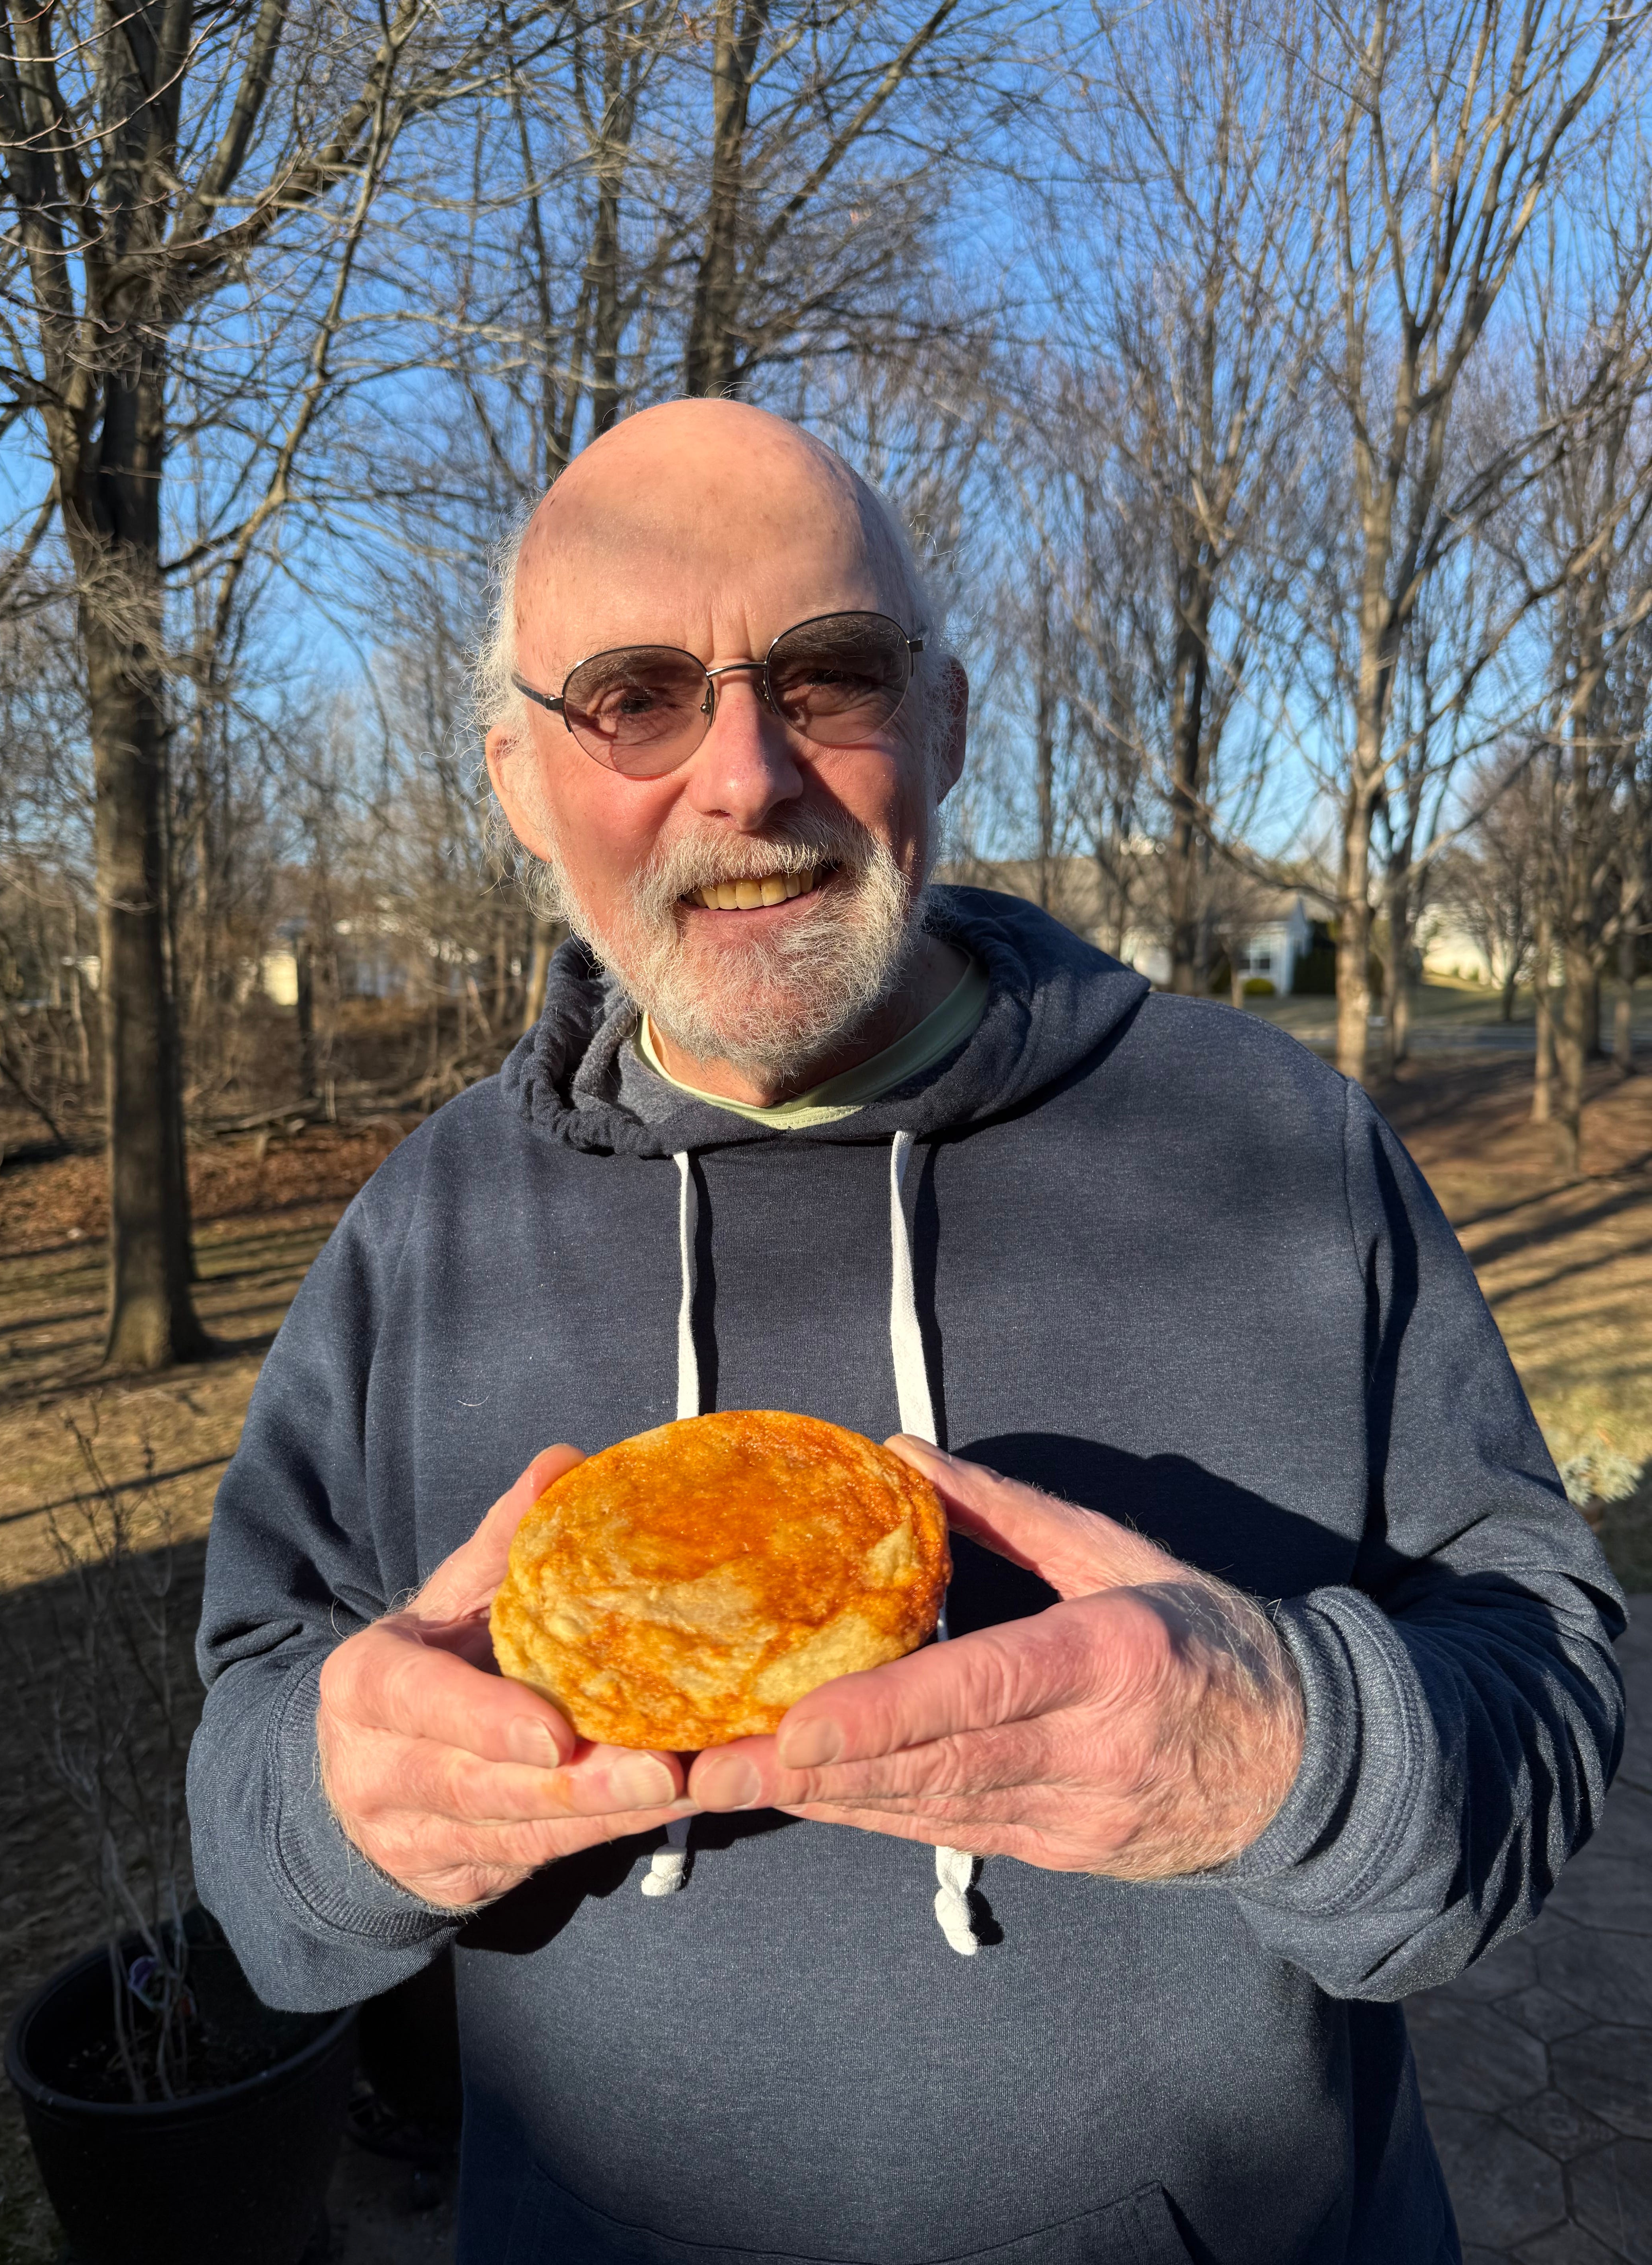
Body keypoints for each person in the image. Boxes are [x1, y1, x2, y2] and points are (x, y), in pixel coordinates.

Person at [190, 399, 1624, 2265]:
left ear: (944, 718)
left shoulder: (1276, 1150)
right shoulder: (422, 1237)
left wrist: (1295, 1757)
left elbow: (1550, 1668)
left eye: (832, 675)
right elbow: (252, 1814)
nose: (745, 775)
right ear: (519, 781)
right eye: (635, 696)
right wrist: (334, 1817)